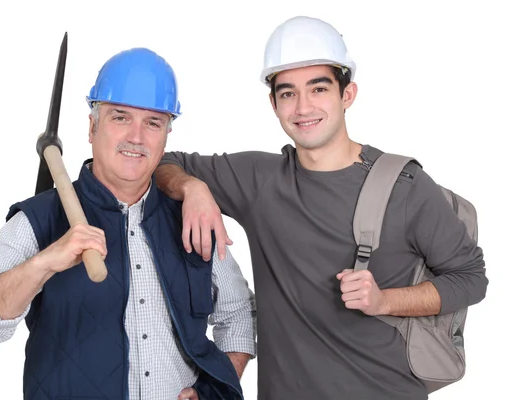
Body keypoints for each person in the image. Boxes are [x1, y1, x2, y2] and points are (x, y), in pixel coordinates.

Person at [154, 16, 488, 400]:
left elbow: (470, 278)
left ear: (348, 95)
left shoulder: (405, 187)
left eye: (318, 89)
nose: (303, 107)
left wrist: (386, 300)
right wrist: (192, 187)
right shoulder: (258, 180)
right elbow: (164, 160)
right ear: (273, 103)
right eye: (288, 93)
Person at [0, 47, 256, 400]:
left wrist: (213, 391)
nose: (136, 136)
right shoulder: (38, 221)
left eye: (153, 123)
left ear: (165, 137)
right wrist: (44, 262)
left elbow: (238, 314)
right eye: (120, 117)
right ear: (92, 126)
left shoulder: (193, 219)